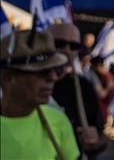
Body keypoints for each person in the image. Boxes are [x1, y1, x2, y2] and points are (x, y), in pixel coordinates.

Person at [1, 28, 80, 160]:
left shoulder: (58, 121)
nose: (53, 78)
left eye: (56, 70)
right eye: (43, 71)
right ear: (9, 79)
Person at [47, 22, 109, 158]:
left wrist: (95, 142)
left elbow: (101, 134)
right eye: (59, 43)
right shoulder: (27, 84)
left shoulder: (83, 86)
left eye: (74, 46)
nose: (67, 50)